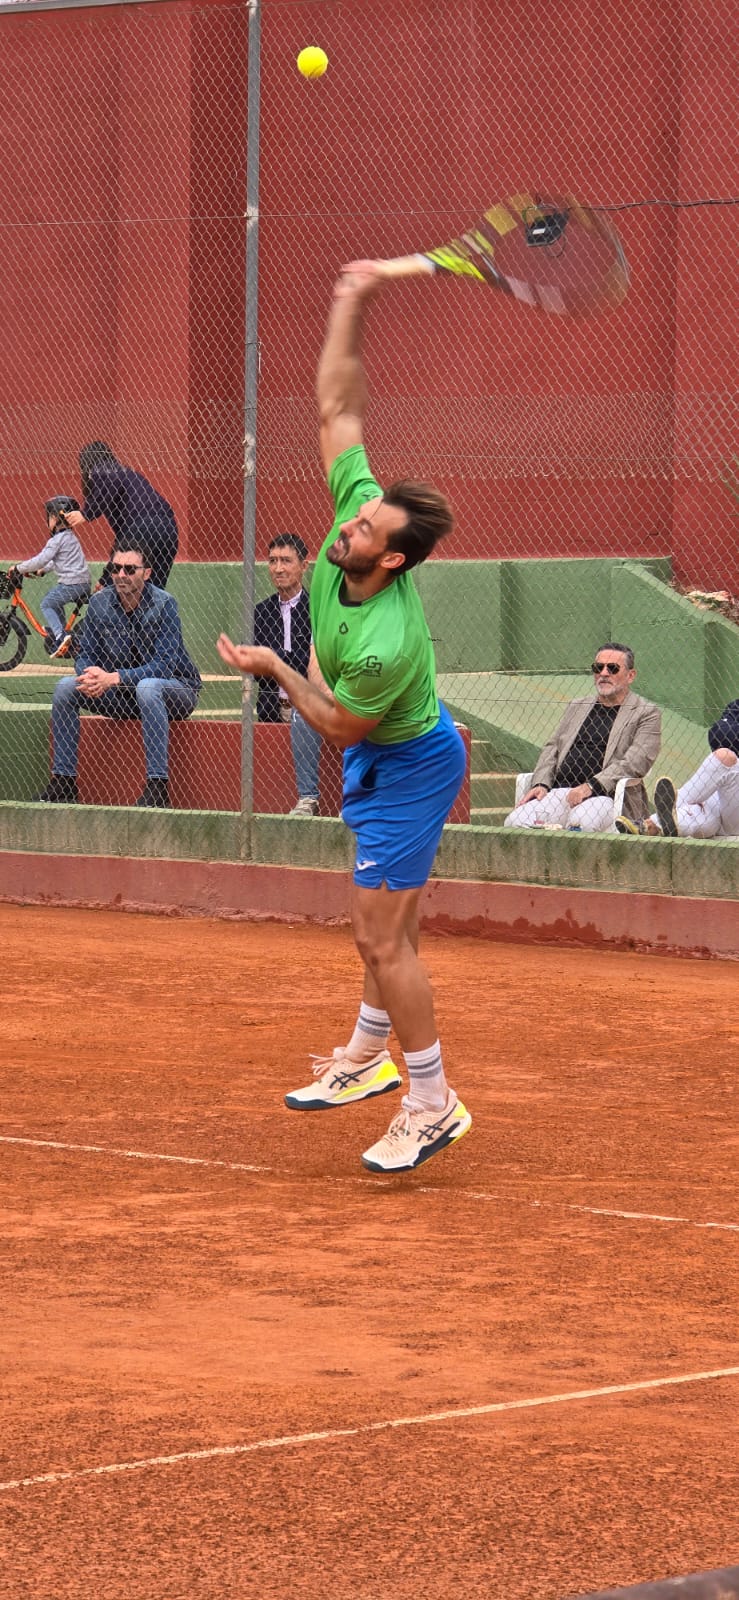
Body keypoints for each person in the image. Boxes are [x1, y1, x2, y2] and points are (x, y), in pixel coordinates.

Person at [216, 261, 471, 1175]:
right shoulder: (356, 525)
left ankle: (432, 1103)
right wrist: (350, 302)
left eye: (366, 529)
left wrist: (275, 665)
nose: (348, 524)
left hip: (409, 766)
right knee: (384, 924)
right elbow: (337, 407)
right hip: (380, 756)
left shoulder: (385, 641)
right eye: (359, 513)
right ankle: (366, 1055)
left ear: (392, 561)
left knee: (377, 935)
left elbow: (333, 729)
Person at [33, 541, 200, 809]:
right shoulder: (99, 603)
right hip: (121, 696)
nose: (121, 575)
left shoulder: (164, 604)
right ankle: (64, 781)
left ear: (147, 573)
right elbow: (86, 652)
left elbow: (164, 666)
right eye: (116, 568)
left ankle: (157, 787)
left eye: (130, 569)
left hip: (175, 690)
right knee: (65, 687)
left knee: (148, 687)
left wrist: (114, 677)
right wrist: (90, 675)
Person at [503, 644, 661, 832]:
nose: (603, 673)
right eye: (598, 667)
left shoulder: (646, 713)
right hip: (561, 791)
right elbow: (552, 747)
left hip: (605, 797)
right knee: (514, 822)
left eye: (612, 668)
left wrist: (591, 786)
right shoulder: (578, 706)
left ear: (630, 675)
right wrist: (541, 783)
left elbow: (636, 762)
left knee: (581, 824)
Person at [254, 533, 322, 817]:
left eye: (286, 561)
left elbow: (314, 664)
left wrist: (275, 659)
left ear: (303, 566)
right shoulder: (261, 612)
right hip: (273, 705)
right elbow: (258, 669)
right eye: (273, 561)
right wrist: (289, 661)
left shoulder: (317, 610)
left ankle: (309, 799)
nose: (278, 568)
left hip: (309, 704)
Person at [64, 441, 179, 590]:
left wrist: (85, 513)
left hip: (142, 525)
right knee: (154, 589)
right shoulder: (127, 473)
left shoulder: (103, 470)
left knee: (118, 585)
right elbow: (123, 540)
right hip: (168, 528)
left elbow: (125, 547)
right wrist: (105, 579)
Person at [616, 700, 739, 838]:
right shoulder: (737, 706)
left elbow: (729, 735)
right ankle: (650, 827)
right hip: (722, 801)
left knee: (725, 759)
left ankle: (664, 810)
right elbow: (720, 733)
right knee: (701, 813)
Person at [9, 496, 91, 658]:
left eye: (48, 516)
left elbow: (41, 559)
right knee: (54, 600)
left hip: (72, 584)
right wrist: (43, 570)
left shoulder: (57, 540)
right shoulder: (69, 537)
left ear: (54, 517)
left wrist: (18, 567)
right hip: (82, 583)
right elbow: (57, 560)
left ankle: (60, 636)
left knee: (47, 604)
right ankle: (58, 629)